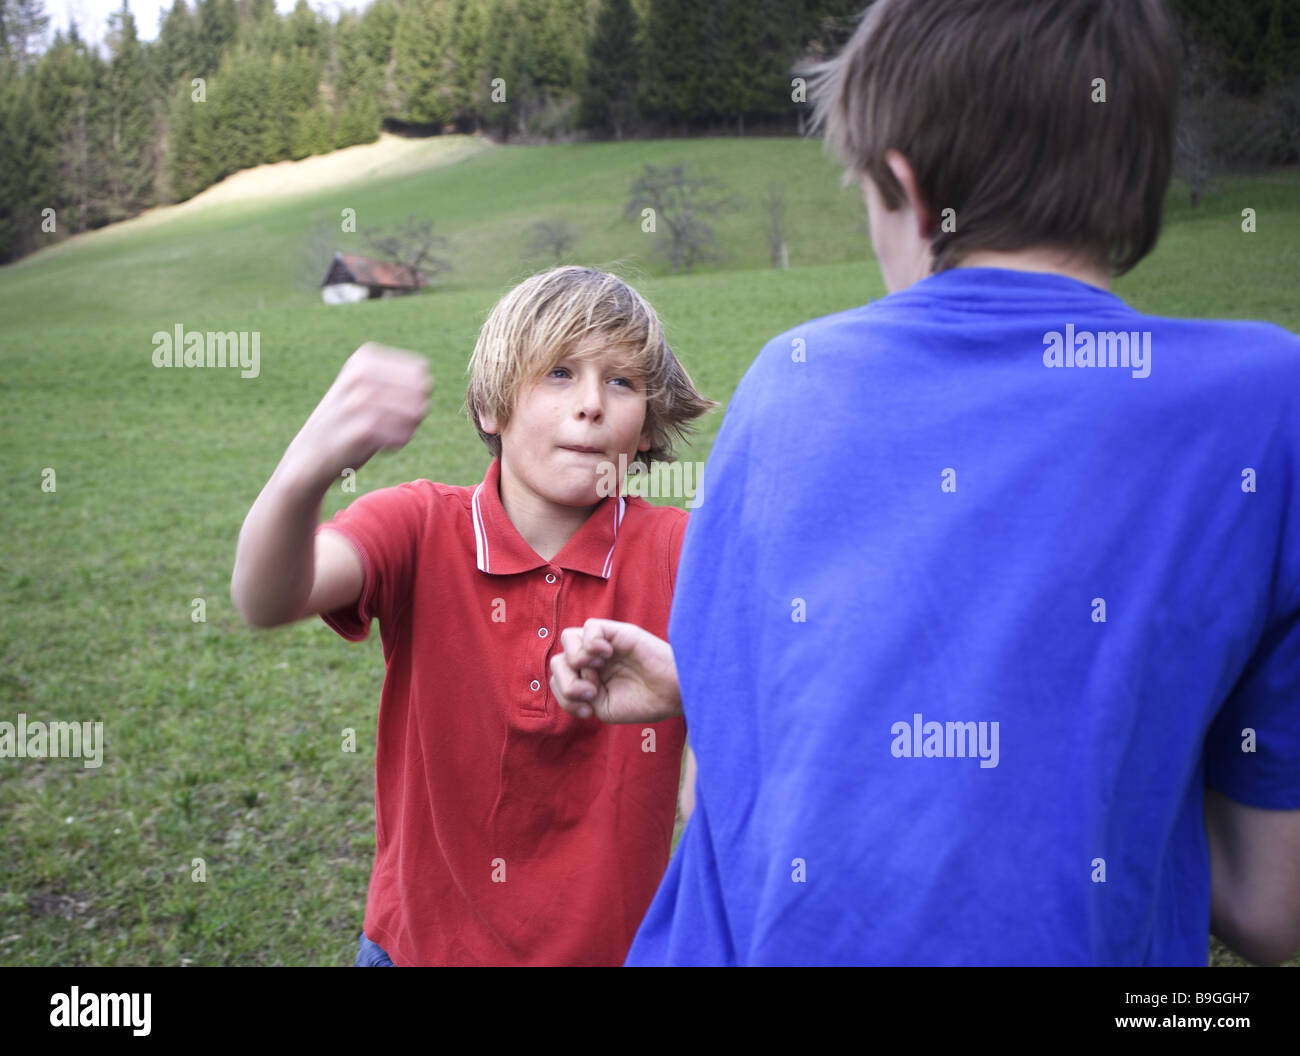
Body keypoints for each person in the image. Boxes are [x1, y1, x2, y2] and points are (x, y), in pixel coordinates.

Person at [549, 0, 1300, 966]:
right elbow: (1269, 903)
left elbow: (737, 792)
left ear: (903, 184)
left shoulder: (792, 378)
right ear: (1144, 172)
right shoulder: (1267, 404)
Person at [231, 266, 714, 965]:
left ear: (645, 427)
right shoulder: (417, 525)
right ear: (492, 406)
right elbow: (266, 596)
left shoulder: (682, 555)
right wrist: (311, 463)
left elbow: (756, 731)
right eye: (557, 372)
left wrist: (693, 693)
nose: (591, 404)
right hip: (414, 950)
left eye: (622, 381)